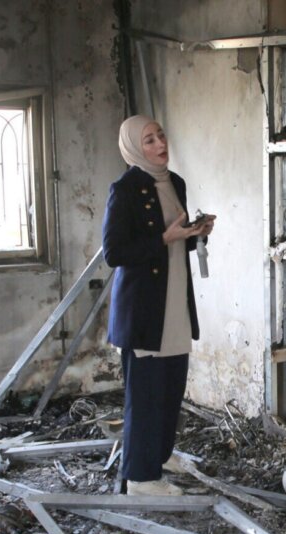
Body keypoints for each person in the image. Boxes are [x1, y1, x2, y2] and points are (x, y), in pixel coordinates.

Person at [102, 115, 216, 496]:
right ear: (135, 147)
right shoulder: (126, 188)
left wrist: (194, 234)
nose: (159, 144)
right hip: (144, 310)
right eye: (148, 140)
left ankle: (160, 455)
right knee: (146, 393)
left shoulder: (175, 183)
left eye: (161, 135)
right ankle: (139, 477)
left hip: (175, 302)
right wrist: (163, 239)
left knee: (171, 386)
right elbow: (115, 252)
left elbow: (174, 240)